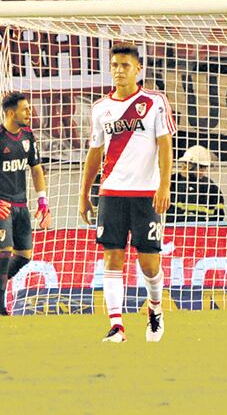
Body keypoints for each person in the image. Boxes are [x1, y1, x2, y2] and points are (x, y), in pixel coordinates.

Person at [80, 44, 175, 343]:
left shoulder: (154, 102)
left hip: (146, 193)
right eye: (115, 65)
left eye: (125, 65)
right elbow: (94, 153)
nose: (119, 70)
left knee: (148, 263)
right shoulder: (100, 108)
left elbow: (165, 145)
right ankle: (116, 326)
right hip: (111, 193)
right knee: (112, 258)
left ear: (138, 70)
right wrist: (84, 193)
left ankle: (155, 310)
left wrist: (164, 186)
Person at [0, 91, 49, 317]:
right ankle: (1, 309)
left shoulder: (27, 137)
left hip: (20, 205)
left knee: (24, 255)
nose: (29, 112)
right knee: (3, 252)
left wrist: (42, 200)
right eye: (25, 109)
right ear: (11, 112)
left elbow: (35, 168)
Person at [168, 145, 226, 223]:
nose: (203, 171)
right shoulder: (170, 184)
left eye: (204, 167)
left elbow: (218, 217)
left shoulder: (211, 188)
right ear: (188, 165)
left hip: (201, 233)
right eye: (200, 167)